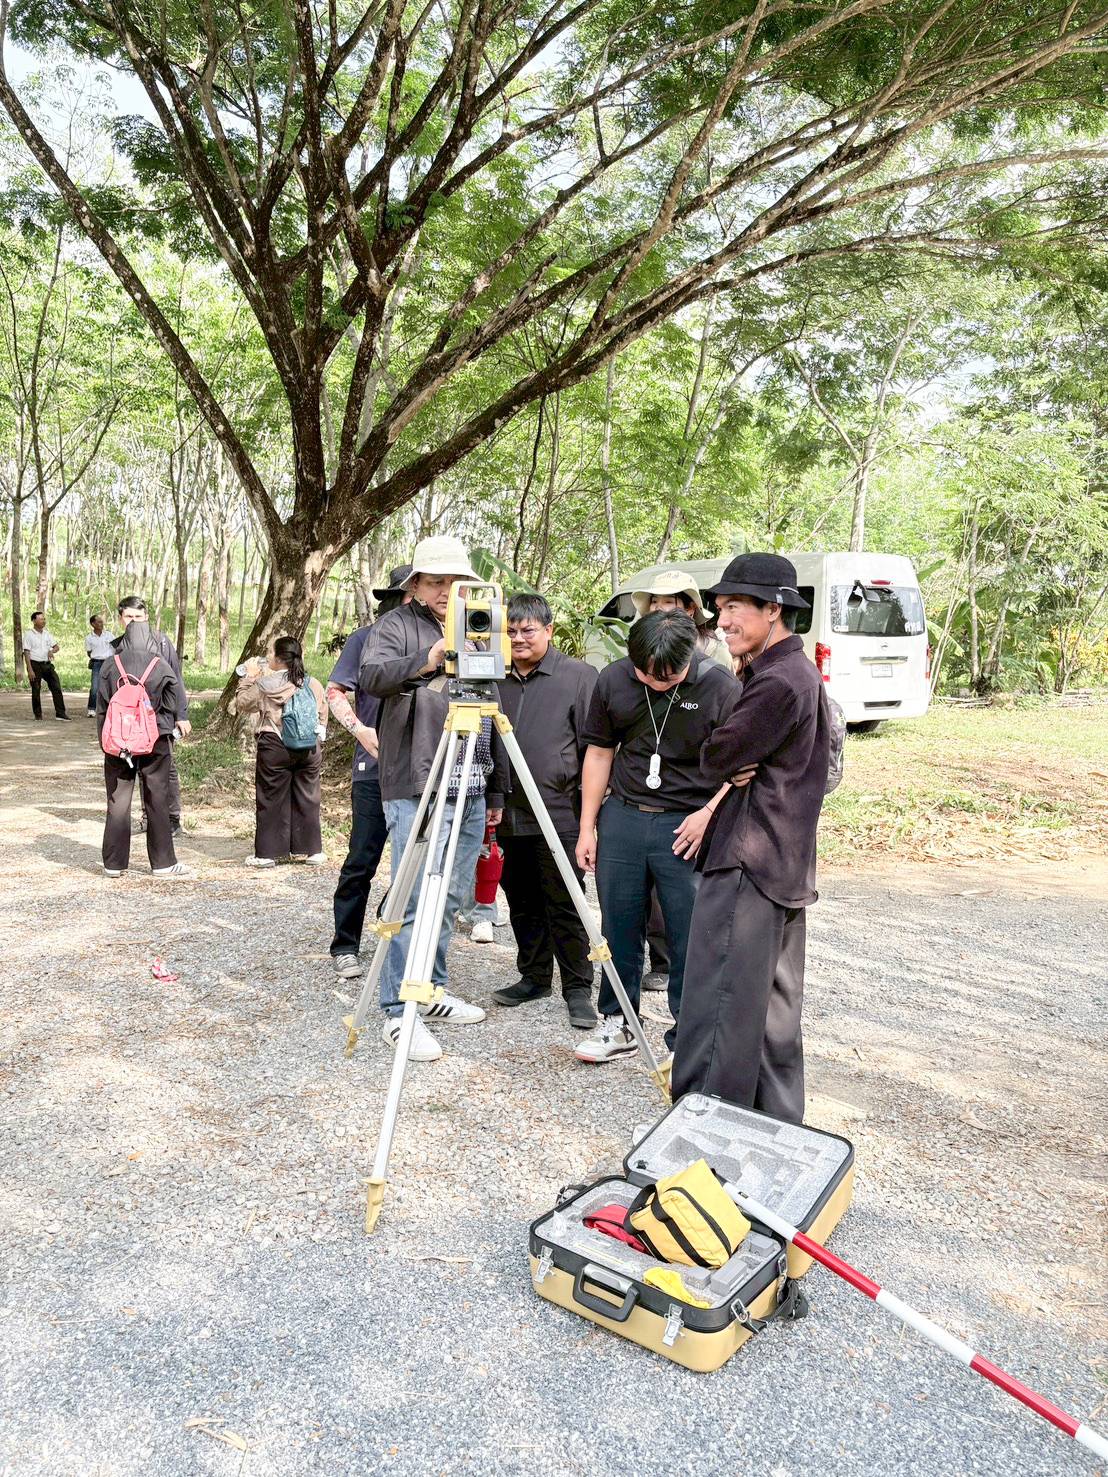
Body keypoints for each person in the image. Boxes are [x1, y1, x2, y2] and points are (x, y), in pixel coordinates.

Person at [671, 553, 831, 1124]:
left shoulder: (778, 683)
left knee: (718, 1006)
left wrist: (730, 755)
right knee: (771, 1015)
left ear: (774, 610)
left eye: (735, 607)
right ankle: (777, 1131)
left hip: (747, 860)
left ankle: (699, 1132)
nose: (723, 621)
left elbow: (717, 755)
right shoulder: (797, 672)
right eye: (719, 609)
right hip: (782, 864)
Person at [359, 535, 505, 1062]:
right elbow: (372, 677)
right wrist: (430, 658)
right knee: (416, 894)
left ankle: (433, 988)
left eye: (455, 581)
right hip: (420, 781)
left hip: (470, 778)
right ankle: (399, 1010)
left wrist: (494, 787)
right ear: (415, 585)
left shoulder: (479, 621)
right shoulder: (395, 626)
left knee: (452, 896)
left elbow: (491, 702)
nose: (447, 591)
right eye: (436, 581)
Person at [574, 611, 742, 1063]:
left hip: (687, 823)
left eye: (665, 677)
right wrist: (588, 826)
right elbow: (599, 751)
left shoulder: (720, 688)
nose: (653, 682)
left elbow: (744, 766)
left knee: (690, 932)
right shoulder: (614, 680)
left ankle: (687, 1036)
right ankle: (619, 1021)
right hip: (624, 817)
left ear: (691, 657)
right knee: (618, 924)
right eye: (644, 673)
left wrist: (708, 814)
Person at [492, 592, 599, 1030]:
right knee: (520, 899)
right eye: (511, 631)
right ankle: (533, 976)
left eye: (527, 630)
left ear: (549, 631)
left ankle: (578, 988)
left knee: (566, 903)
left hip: (561, 814)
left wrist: (592, 819)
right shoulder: (492, 678)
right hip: (508, 813)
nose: (518, 638)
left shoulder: (578, 676)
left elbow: (595, 749)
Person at [324, 564, 412, 980]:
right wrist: (358, 729)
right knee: (362, 859)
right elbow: (336, 690)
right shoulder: (364, 640)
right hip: (373, 770)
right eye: (414, 593)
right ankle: (345, 945)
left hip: (425, 769)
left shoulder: (447, 639)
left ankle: (401, 939)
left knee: (416, 863)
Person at [97, 619, 192, 879]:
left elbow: (102, 706)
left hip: (118, 742)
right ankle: (162, 863)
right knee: (157, 798)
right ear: (150, 639)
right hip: (155, 739)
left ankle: (113, 864)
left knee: (118, 800)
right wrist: (165, 725)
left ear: (125, 639)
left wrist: (105, 742)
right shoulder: (160, 664)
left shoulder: (110, 664)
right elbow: (174, 700)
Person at [235, 637, 327, 867]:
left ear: (277, 659)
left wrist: (249, 677)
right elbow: (323, 711)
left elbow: (242, 703)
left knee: (270, 797)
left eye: (269, 653)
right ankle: (312, 850)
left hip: (275, 744)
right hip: (309, 745)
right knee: (308, 796)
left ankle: (266, 854)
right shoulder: (311, 682)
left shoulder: (266, 685)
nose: (267, 657)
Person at [113, 597, 190, 838]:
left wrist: (181, 714)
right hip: (131, 722)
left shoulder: (162, 643)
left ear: (146, 618)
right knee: (136, 768)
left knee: (165, 769)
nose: (133, 621)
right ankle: (148, 816)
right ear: (120, 619)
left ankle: (172, 818)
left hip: (160, 718)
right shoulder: (117, 646)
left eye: (137, 617)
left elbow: (175, 679)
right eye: (128, 617)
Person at [630, 569, 727, 663]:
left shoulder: (714, 651)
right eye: (654, 601)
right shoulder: (643, 646)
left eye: (668, 601)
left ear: (690, 608)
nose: (658, 607)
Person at [22, 611, 69, 720]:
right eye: (41, 619)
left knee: (56, 686)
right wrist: (29, 669)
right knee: (36, 689)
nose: (44, 621)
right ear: (34, 621)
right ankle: (38, 715)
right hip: (35, 665)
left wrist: (52, 651)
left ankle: (60, 713)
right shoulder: (29, 634)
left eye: (44, 619)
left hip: (47, 665)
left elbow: (57, 647)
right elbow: (27, 652)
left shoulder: (47, 634)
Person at [85, 614, 116, 717]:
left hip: (109, 662)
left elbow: (116, 647)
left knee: (111, 685)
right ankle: (91, 708)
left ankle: (110, 708)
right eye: (98, 622)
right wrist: (96, 656)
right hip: (97, 663)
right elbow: (89, 652)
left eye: (101, 622)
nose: (101, 624)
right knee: (95, 686)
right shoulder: (89, 638)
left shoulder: (109, 635)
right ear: (93, 624)